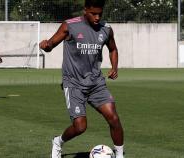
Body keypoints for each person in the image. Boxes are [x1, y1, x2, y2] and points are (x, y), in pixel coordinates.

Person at [39, 0, 124, 158]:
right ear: (85, 10)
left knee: (114, 118)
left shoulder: (106, 29)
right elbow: (51, 44)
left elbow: (113, 49)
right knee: (80, 127)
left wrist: (114, 67)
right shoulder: (69, 25)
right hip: (73, 83)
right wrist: (45, 46)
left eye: (100, 13)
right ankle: (58, 141)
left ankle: (119, 155)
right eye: (93, 14)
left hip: (96, 82)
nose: (97, 17)